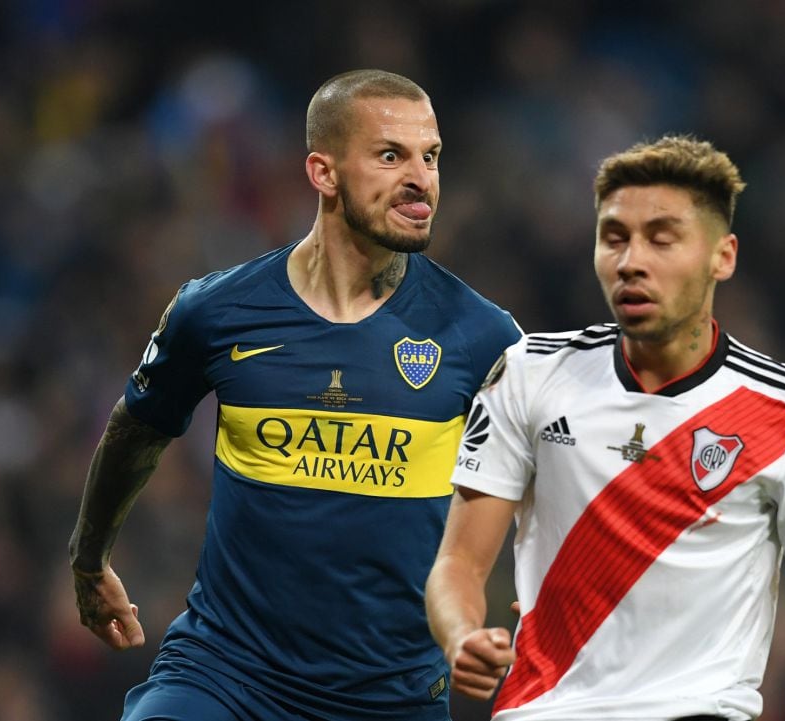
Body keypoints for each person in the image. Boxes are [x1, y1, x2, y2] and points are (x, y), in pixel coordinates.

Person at [68, 69, 521, 721]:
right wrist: (88, 560)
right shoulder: (217, 311)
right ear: (324, 172)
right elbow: (136, 430)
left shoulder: (485, 337)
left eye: (431, 156)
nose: (421, 177)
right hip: (225, 674)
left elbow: (550, 479)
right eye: (391, 155)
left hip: (390, 697)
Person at [425, 134, 785, 721]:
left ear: (724, 256)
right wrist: (461, 636)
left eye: (661, 240)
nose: (631, 261)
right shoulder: (528, 374)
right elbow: (458, 564)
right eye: (614, 238)